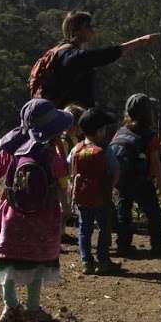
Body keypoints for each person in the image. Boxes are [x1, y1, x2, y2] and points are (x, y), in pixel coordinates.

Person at [0, 99, 72, 322]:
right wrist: (66, 209)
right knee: (38, 263)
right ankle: (33, 310)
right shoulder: (51, 154)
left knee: (9, 262)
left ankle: (10, 307)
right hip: (42, 216)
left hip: (12, 213)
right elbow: (63, 178)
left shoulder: (12, 150)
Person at [39, 11, 159, 108]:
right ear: (76, 31)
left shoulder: (58, 51)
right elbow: (105, 55)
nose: (92, 29)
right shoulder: (74, 57)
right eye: (88, 26)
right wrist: (139, 41)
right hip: (71, 118)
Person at [111, 93, 161, 257]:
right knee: (154, 213)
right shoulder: (150, 135)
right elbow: (155, 161)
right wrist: (160, 181)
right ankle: (157, 246)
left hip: (123, 180)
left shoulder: (120, 131)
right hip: (143, 181)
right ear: (148, 113)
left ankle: (123, 245)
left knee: (124, 211)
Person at [69, 107, 122, 274]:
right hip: (101, 197)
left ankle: (86, 262)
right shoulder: (105, 150)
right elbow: (115, 171)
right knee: (104, 228)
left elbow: (69, 166)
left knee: (84, 229)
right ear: (99, 131)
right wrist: (110, 188)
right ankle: (103, 261)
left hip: (82, 197)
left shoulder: (76, 149)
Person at [57, 104, 86, 244]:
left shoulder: (73, 139)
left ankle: (61, 234)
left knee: (66, 210)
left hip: (67, 180)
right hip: (60, 181)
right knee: (63, 210)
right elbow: (60, 161)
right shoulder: (63, 140)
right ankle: (56, 236)